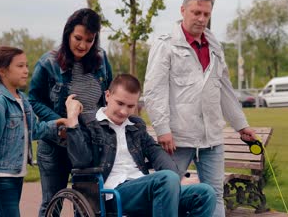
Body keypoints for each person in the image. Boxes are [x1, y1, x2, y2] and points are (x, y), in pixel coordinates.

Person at [143, 0, 258, 217]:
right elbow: (154, 90)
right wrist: (163, 129)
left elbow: (224, 89)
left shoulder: (214, 46)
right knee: (166, 192)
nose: (201, 19)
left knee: (215, 193)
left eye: (206, 14)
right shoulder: (165, 45)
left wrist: (241, 125)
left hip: (212, 139)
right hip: (177, 139)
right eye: (196, 12)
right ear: (183, 10)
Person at [65, 74, 216, 217]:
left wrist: (178, 178)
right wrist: (72, 120)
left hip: (144, 188)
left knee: (205, 193)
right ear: (108, 96)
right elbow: (81, 161)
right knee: (166, 179)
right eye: (120, 103)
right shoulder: (90, 124)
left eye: (130, 106)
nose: (124, 112)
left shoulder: (136, 126)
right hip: (111, 194)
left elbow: (156, 152)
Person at [28, 8, 113, 216]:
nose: (83, 45)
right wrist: (61, 121)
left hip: (89, 144)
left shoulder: (101, 59)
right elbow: (33, 100)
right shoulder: (48, 62)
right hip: (56, 145)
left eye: (89, 40)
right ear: (67, 34)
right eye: (78, 38)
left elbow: (109, 95)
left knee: (86, 204)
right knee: (51, 203)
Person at [0, 46, 69, 217]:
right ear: (2, 71)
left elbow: (34, 130)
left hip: (16, 174)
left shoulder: (22, 99)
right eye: (20, 66)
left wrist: (56, 124)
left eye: (26, 66)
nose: (26, 71)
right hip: (1, 176)